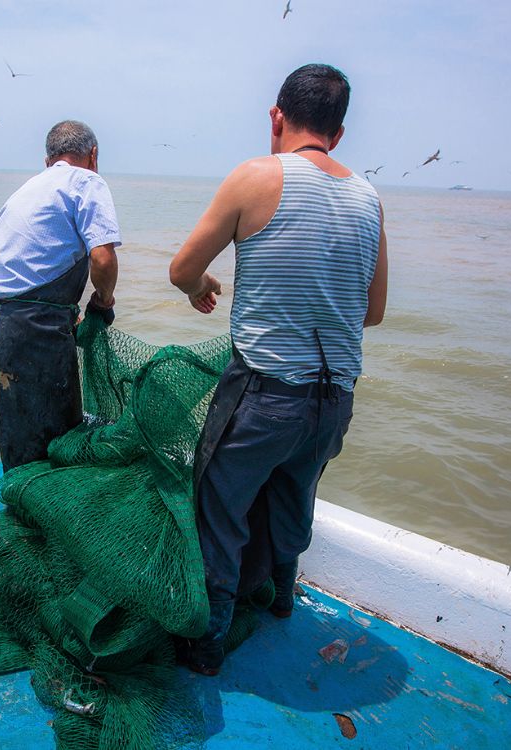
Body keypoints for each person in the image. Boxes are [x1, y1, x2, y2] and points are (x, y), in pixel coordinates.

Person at [168, 63, 388, 675]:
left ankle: (207, 645)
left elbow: (183, 268)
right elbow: (372, 312)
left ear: (276, 118)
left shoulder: (256, 176)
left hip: (263, 395)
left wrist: (201, 285)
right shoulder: (369, 199)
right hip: (332, 400)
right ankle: (281, 599)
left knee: (220, 507)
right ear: (338, 135)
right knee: (295, 494)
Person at [0, 120, 121, 471]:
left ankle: (20, 509)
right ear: (94, 155)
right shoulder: (87, 181)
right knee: (54, 440)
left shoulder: (26, 189)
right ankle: (47, 517)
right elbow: (102, 257)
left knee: (17, 436)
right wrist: (103, 300)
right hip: (34, 334)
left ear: (48, 160)